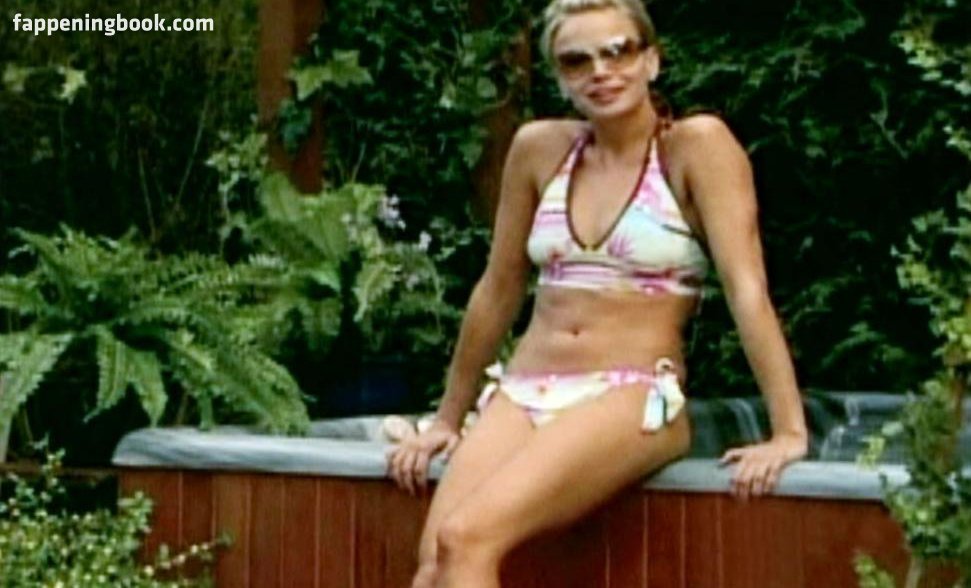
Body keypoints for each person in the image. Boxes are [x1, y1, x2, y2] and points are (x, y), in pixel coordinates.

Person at [386, 0, 809, 586]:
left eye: (618, 52)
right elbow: (498, 289)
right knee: (435, 563)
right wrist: (446, 419)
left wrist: (788, 432)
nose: (601, 72)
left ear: (652, 60)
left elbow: (747, 290)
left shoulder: (696, 147)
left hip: (630, 394)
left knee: (467, 538)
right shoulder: (539, 149)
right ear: (560, 78)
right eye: (577, 61)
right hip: (525, 388)